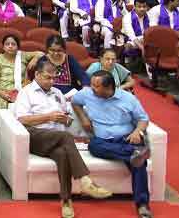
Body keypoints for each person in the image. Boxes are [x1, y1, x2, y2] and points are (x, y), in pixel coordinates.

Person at [13, 60, 111, 218]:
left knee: (62, 154)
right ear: (37, 75)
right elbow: (22, 119)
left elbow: (69, 119)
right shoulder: (26, 92)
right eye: (47, 78)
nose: (51, 81)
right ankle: (85, 181)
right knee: (66, 136)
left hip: (56, 138)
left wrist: (65, 119)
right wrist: (48, 117)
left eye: (53, 78)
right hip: (35, 137)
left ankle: (66, 201)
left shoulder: (57, 93)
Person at [72, 71, 153, 218]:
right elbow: (75, 102)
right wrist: (83, 117)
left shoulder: (128, 98)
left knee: (139, 163)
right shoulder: (87, 94)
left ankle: (142, 204)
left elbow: (143, 119)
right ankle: (133, 154)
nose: (92, 88)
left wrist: (137, 132)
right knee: (94, 146)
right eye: (91, 84)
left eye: (96, 86)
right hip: (103, 141)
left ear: (109, 87)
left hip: (126, 138)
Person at [0, 33, 40, 110]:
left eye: (13, 44)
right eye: (7, 44)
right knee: (4, 115)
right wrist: (5, 95)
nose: (10, 46)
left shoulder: (22, 56)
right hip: (3, 94)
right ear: (3, 47)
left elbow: (41, 54)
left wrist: (34, 59)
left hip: (22, 92)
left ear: (17, 47)